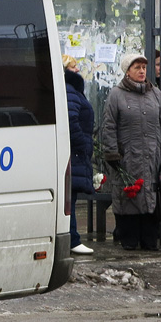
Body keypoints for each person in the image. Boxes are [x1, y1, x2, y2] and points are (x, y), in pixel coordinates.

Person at [100, 52, 161, 251]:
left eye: (144, 67)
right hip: (126, 158)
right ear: (127, 71)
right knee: (129, 197)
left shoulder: (156, 94)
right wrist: (112, 154)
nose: (142, 71)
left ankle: (149, 239)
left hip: (152, 157)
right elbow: (108, 126)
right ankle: (129, 239)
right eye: (137, 68)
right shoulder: (116, 95)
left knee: (151, 196)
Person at [62, 55, 95, 254]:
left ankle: (72, 237)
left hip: (75, 151)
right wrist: (82, 143)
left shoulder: (72, 89)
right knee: (70, 196)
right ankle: (73, 238)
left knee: (71, 195)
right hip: (74, 152)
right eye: (73, 67)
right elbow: (71, 120)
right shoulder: (70, 89)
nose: (77, 70)